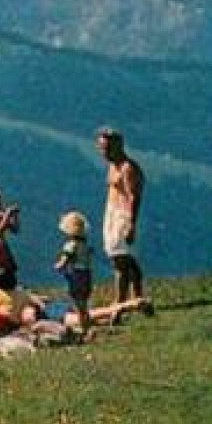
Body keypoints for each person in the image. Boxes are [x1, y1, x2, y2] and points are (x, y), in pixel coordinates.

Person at [97, 127, 146, 303]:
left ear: (119, 146)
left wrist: (131, 223)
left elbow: (134, 196)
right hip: (111, 212)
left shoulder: (127, 168)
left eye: (107, 148)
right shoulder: (112, 166)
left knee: (120, 261)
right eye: (102, 148)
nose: (104, 152)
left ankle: (120, 302)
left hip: (122, 215)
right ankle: (138, 297)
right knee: (124, 259)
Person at [53, 211, 94, 330]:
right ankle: (87, 323)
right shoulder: (84, 245)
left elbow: (66, 258)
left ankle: (83, 327)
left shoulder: (70, 245)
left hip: (76, 275)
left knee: (77, 303)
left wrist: (59, 265)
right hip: (87, 274)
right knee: (84, 302)